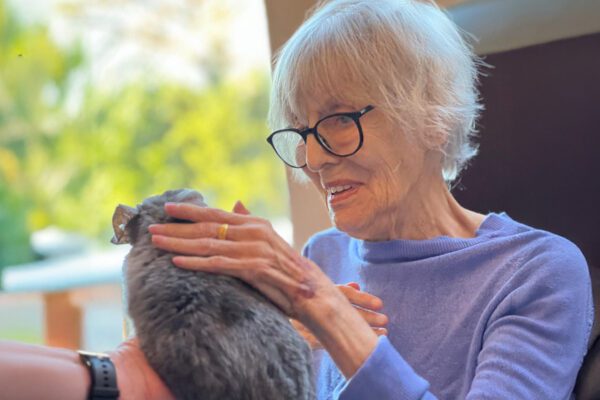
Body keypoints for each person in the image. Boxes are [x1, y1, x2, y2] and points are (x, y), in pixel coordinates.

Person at [0, 0, 593, 399]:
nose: (312, 159)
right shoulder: (324, 253)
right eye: (301, 131)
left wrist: (322, 309)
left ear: (433, 114)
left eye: (337, 120)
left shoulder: (536, 272)